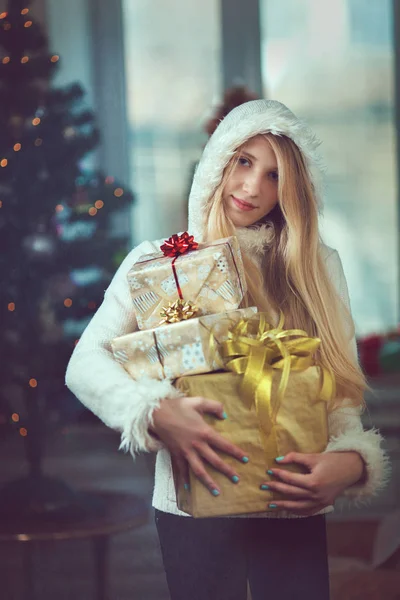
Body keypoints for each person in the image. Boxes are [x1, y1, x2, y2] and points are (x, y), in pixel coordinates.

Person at [65, 100, 390, 600]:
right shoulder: (159, 262)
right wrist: (154, 412)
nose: (252, 187)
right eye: (243, 161)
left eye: (275, 175)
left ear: (295, 189)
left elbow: (340, 396)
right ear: (218, 160)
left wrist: (350, 464)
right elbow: (84, 364)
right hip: (196, 502)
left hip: (293, 499)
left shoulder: (318, 267)